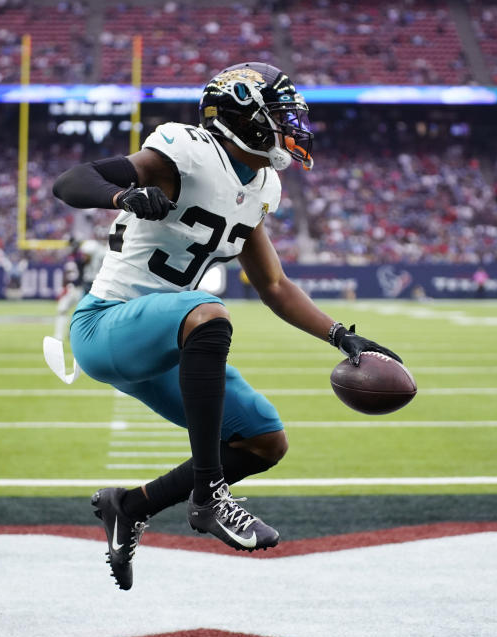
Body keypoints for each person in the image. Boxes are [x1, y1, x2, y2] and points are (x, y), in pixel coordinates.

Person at [52, 61, 401, 590]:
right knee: (207, 312)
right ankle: (208, 496)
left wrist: (340, 334)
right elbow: (73, 181)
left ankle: (130, 506)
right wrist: (122, 196)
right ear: (245, 114)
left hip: (166, 341)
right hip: (105, 328)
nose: (292, 125)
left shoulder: (261, 184)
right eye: (281, 114)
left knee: (265, 440)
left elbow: (276, 287)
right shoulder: (186, 151)